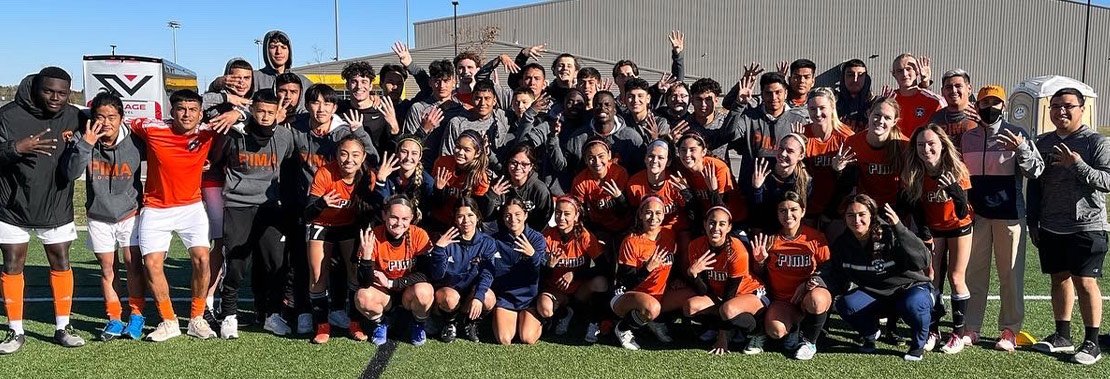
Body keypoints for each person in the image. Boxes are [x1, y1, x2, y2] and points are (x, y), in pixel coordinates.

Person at [128, 89, 231, 342]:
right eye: (181, 109)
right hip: (155, 207)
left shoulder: (209, 132)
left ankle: (196, 319)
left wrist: (236, 110)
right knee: (151, 264)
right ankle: (169, 321)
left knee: (202, 259)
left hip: (191, 207)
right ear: (171, 111)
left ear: (200, 113)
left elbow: (251, 119)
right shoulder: (152, 128)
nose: (187, 114)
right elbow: (122, 120)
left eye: (192, 109)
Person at [0, 67, 85, 353]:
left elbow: (107, 120)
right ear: (37, 87)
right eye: (49, 91)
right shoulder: (9, 115)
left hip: (56, 204)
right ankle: (15, 331)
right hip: (12, 207)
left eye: (62, 93)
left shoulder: (73, 115)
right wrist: (15, 148)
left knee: (61, 260)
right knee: (13, 263)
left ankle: (63, 327)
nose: (55, 98)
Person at [1027, 88, 1108, 365]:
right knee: (1058, 278)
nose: (1061, 111)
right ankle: (1062, 336)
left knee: (1085, 282)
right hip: (1051, 224)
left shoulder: (1095, 141)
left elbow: (1107, 181)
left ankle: (1092, 342)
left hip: (1087, 226)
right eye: (1055, 106)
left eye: (1068, 106)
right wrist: (1033, 219)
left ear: (1081, 109)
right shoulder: (1042, 142)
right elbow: (1035, 185)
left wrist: (1078, 165)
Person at [960, 84, 1044, 352]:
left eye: (996, 103)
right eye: (985, 103)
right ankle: (971, 327)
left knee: (1010, 275)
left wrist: (1021, 148)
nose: (990, 108)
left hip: (1010, 216)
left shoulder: (1017, 134)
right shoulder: (967, 137)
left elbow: (1036, 170)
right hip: (977, 216)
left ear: (1004, 107)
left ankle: (1010, 330)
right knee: (974, 273)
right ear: (978, 105)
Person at [60, 92, 147, 342]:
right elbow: (72, 173)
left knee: (133, 265)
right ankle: (114, 318)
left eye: (112, 117)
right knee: (108, 268)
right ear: (92, 117)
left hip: (130, 212)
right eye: (100, 117)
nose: (106, 122)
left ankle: (137, 316)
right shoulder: (84, 138)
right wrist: (86, 144)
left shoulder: (136, 140)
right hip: (98, 214)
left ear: (121, 118)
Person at [210, 90, 297, 339]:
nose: (265, 116)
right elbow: (216, 160)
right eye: (260, 111)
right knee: (237, 264)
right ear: (252, 110)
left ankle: (272, 315)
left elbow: (290, 163)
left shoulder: (284, 136)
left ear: (277, 113)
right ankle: (229, 315)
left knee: (276, 263)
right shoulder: (235, 135)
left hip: (271, 206)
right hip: (238, 204)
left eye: (270, 112)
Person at [814, 194, 933, 361]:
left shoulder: (890, 233)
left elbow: (923, 261)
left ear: (872, 214)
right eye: (851, 215)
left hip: (909, 289)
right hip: (877, 295)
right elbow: (835, 271)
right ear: (844, 218)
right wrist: (816, 281)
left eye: (862, 214)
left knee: (915, 304)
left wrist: (899, 228)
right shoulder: (844, 243)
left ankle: (917, 344)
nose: (856, 220)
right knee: (846, 304)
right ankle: (870, 333)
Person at [902, 124, 974, 354]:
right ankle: (932, 330)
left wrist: (955, 190)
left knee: (955, 276)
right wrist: (925, 236)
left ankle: (958, 334)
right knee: (931, 277)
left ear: (942, 145)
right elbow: (915, 207)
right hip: (934, 228)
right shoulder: (913, 171)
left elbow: (963, 211)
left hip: (959, 225)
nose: (926, 149)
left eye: (931, 143)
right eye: (921, 144)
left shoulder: (956, 168)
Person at [304, 136, 375, 344]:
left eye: (355, 155)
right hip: (322, 225)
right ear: (336, 155)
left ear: (363, 158)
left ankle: (355, 323)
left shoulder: (367, 177)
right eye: (344, 154)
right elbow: (307, 214)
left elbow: (372, 211)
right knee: (317, 275)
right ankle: (321, 325)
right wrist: (322, 203)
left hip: (349, 227)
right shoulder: (325, 172)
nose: (349, 159)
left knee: (354, 273)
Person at [750, 192, 831, 359]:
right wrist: (759, 262)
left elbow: (829, 268)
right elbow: (759, 274)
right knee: (775, 331)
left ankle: (810, 341)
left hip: (807, 297)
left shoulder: (814, 237)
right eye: (783, 210)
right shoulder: (770, 238)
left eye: (793, 209)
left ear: (803, 211)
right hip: (782, 300)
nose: (788, 215)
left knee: (817, 299)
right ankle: (795, 326)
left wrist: (811, 280)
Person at [682, 206, 767, 355]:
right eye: (712, 222)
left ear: (729, 227)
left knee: (727, 310)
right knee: (691, 306)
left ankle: (758, 331)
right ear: (705, 224)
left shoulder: (737, 250)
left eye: (722, 224)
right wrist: (694, 274)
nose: (716, 228)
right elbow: (705, 291)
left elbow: (730, 294)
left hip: (751, 293)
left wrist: (722, 338)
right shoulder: (695, 245)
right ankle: (733, 328)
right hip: (723, 297)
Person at [354, 196, 434, 346]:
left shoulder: (419, 234)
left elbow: (426, 274)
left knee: (425, 292)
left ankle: (418, 323)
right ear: (384, 215)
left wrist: (393, 282)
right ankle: (381, 322)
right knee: (362, 297)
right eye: (394, 217)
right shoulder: (373, 236)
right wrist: (365, 257)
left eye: (405, 218)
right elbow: (364, 282)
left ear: (412, 218)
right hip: (383, 294)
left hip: (408, 291)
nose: (399, 223)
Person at [476, 199, 547, 345]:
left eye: (517, 214)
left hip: (529, 299)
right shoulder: (496, 240)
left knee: (527, 338)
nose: (513, 219)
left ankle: (542, 320)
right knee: (504, 339)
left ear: (525, 215)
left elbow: (542, 270)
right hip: (506, 299)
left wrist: (533, 255)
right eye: (508, 215)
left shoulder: (536, 238)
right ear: (503, 217)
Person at [427, 197, 498, 343]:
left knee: (488, 298)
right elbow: (437, 275)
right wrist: (439, 250)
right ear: (454, 219)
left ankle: (470, 322)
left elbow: (487, 273)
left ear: (477, 216)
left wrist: (478, 297)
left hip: (470, 292)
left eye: (470, 215)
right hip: (448, 291)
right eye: (460, 216)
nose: (466, 221)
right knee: (450, 298)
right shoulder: (445, 240)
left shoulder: (487, 242)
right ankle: (449, 323)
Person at [611, 197, 677, 350]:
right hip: (627, 294)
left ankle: (652, 321)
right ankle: (623, 328)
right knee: (652, 308)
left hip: (657, 294)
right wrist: (648, 268)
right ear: (640, 214)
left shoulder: (669, 235)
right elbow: (626, 282)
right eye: (648, 213)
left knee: (690, 300)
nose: (654, 218)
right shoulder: (632, 241)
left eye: (658, 213)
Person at [538, 197, 609, 342]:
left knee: (601, 282)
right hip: (555, 288)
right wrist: (550, 266)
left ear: (576, 216)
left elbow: (603, 267)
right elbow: (538, 274)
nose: (561, 218)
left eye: (567, 214)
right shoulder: (546, 235)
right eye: (558, 213)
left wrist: (574, 274)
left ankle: (593, 321)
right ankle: (562, 314)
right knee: (545, 308)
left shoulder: (585, 236)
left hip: (578, 290)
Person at [830, 97, 909, 211]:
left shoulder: (904, 145)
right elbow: (845, 185)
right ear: (868, 114)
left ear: (894, 122)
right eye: (877, 115)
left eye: (887, 118)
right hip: (865, 206)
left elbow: (909, 189)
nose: (881, 121)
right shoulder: (853, 143)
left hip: (895, 207)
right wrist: (838, 170)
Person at [571, 137, 631, 270]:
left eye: (601, 156)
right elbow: (579, 213)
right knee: (604, 258)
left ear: (609, 155)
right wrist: (591, 234)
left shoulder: (618, 173)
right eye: (591, 158)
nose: (597, 162)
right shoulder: (581, 181)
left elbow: (626, 210)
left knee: (625, 259)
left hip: (624, 225)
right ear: (586, 160)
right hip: (600, 227)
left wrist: (619, 197)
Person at [801, 88, 854, 233]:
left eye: (822, 108)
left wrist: (839, 170)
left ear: (832, 107)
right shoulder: (802, 134)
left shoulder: (846, 137)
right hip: (809, 206)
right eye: (812, 109)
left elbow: (851, 182)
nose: (817, 114)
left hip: (836, 208)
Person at [402, 60, 467, 168]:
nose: (442, 86)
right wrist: (423, 130)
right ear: (430, 82)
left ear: (454, 82)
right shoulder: (418, 109)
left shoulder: (462, 110)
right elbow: (406, 145)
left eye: (446, 81)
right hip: (423, 170)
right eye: (437, 81)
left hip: (454, 171)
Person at [429, 130, 498, 232]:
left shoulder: (480, 177)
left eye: (467, 150)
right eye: (458, 147)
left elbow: (478, 212)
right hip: (439, 219)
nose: (460, 152)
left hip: (463, 225)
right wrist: (439, 190)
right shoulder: (442, 163)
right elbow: (434, 202)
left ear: (477, 153)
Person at [565, 91, 646, 174]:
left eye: (607, 105)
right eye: (597, 105)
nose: (602, 108)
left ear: (614, 110)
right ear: (592, 110)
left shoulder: (631, 137)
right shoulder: (578, 137)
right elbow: (568, 169)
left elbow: (641, 170)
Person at [748, 134, 812, 232]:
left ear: (801, 156)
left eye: (790, 151)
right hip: (762, 226)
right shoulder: (761, 167)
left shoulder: (805, 180)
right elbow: (755, 210)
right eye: (781, 148)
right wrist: (757, 189)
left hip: (788, 229)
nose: (783, 154)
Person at [440, 81, 512, 168]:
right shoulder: (457, 123)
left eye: (487, 98)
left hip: (497, 173)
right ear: (472, 99)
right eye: (478, 98)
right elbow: (446, 156)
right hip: (466, 175)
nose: (482, 103)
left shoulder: (503, 118)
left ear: (494, 101)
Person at [337, 61, 401, 154]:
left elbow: (395, 148)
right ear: (347, 85)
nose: (359, 86)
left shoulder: (384, 111)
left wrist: (394, 127)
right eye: (354, 82)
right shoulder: (339, 109)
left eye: (364, 82)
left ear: (370, 86)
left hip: (377, 166)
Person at [370, 136, 435, 224]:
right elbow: (380, 205)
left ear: (420, 157)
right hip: (387, 223)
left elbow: (429, 211)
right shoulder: (386, 173)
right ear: (397, 153)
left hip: (416, 227)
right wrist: (381, 181)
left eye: (414, 153)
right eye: (404, 152)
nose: (408, 157)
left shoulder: (426, 182)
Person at [500, 144, 553, 231]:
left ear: (531, 166)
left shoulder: (540, 190)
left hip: (533, 235)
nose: (518, 167)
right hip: (504, 235)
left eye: (524, 164)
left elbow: (544, 219)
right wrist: (492, 196)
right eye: (514, 163)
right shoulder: (500, 185)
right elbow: (488, 218)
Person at [889, 54, 945, 136]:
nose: (904, 74)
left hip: (920, 148)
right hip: (893, 147)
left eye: (909, 69)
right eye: (899, 71)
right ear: (894, 74)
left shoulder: (934, 101)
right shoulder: (889, 99)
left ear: (917, 71)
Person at [928, 69, 978, 150]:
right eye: (948, 87)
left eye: (958, 86)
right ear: (942, 91)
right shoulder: (936, 119)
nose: (954, 91)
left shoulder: (979, 115)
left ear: (969, 88)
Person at [835, 59, 874, 132]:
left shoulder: (874, 104)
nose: (855, 79)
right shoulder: (833, 102)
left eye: (860, 75)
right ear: (843, 78)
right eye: (850, 75)